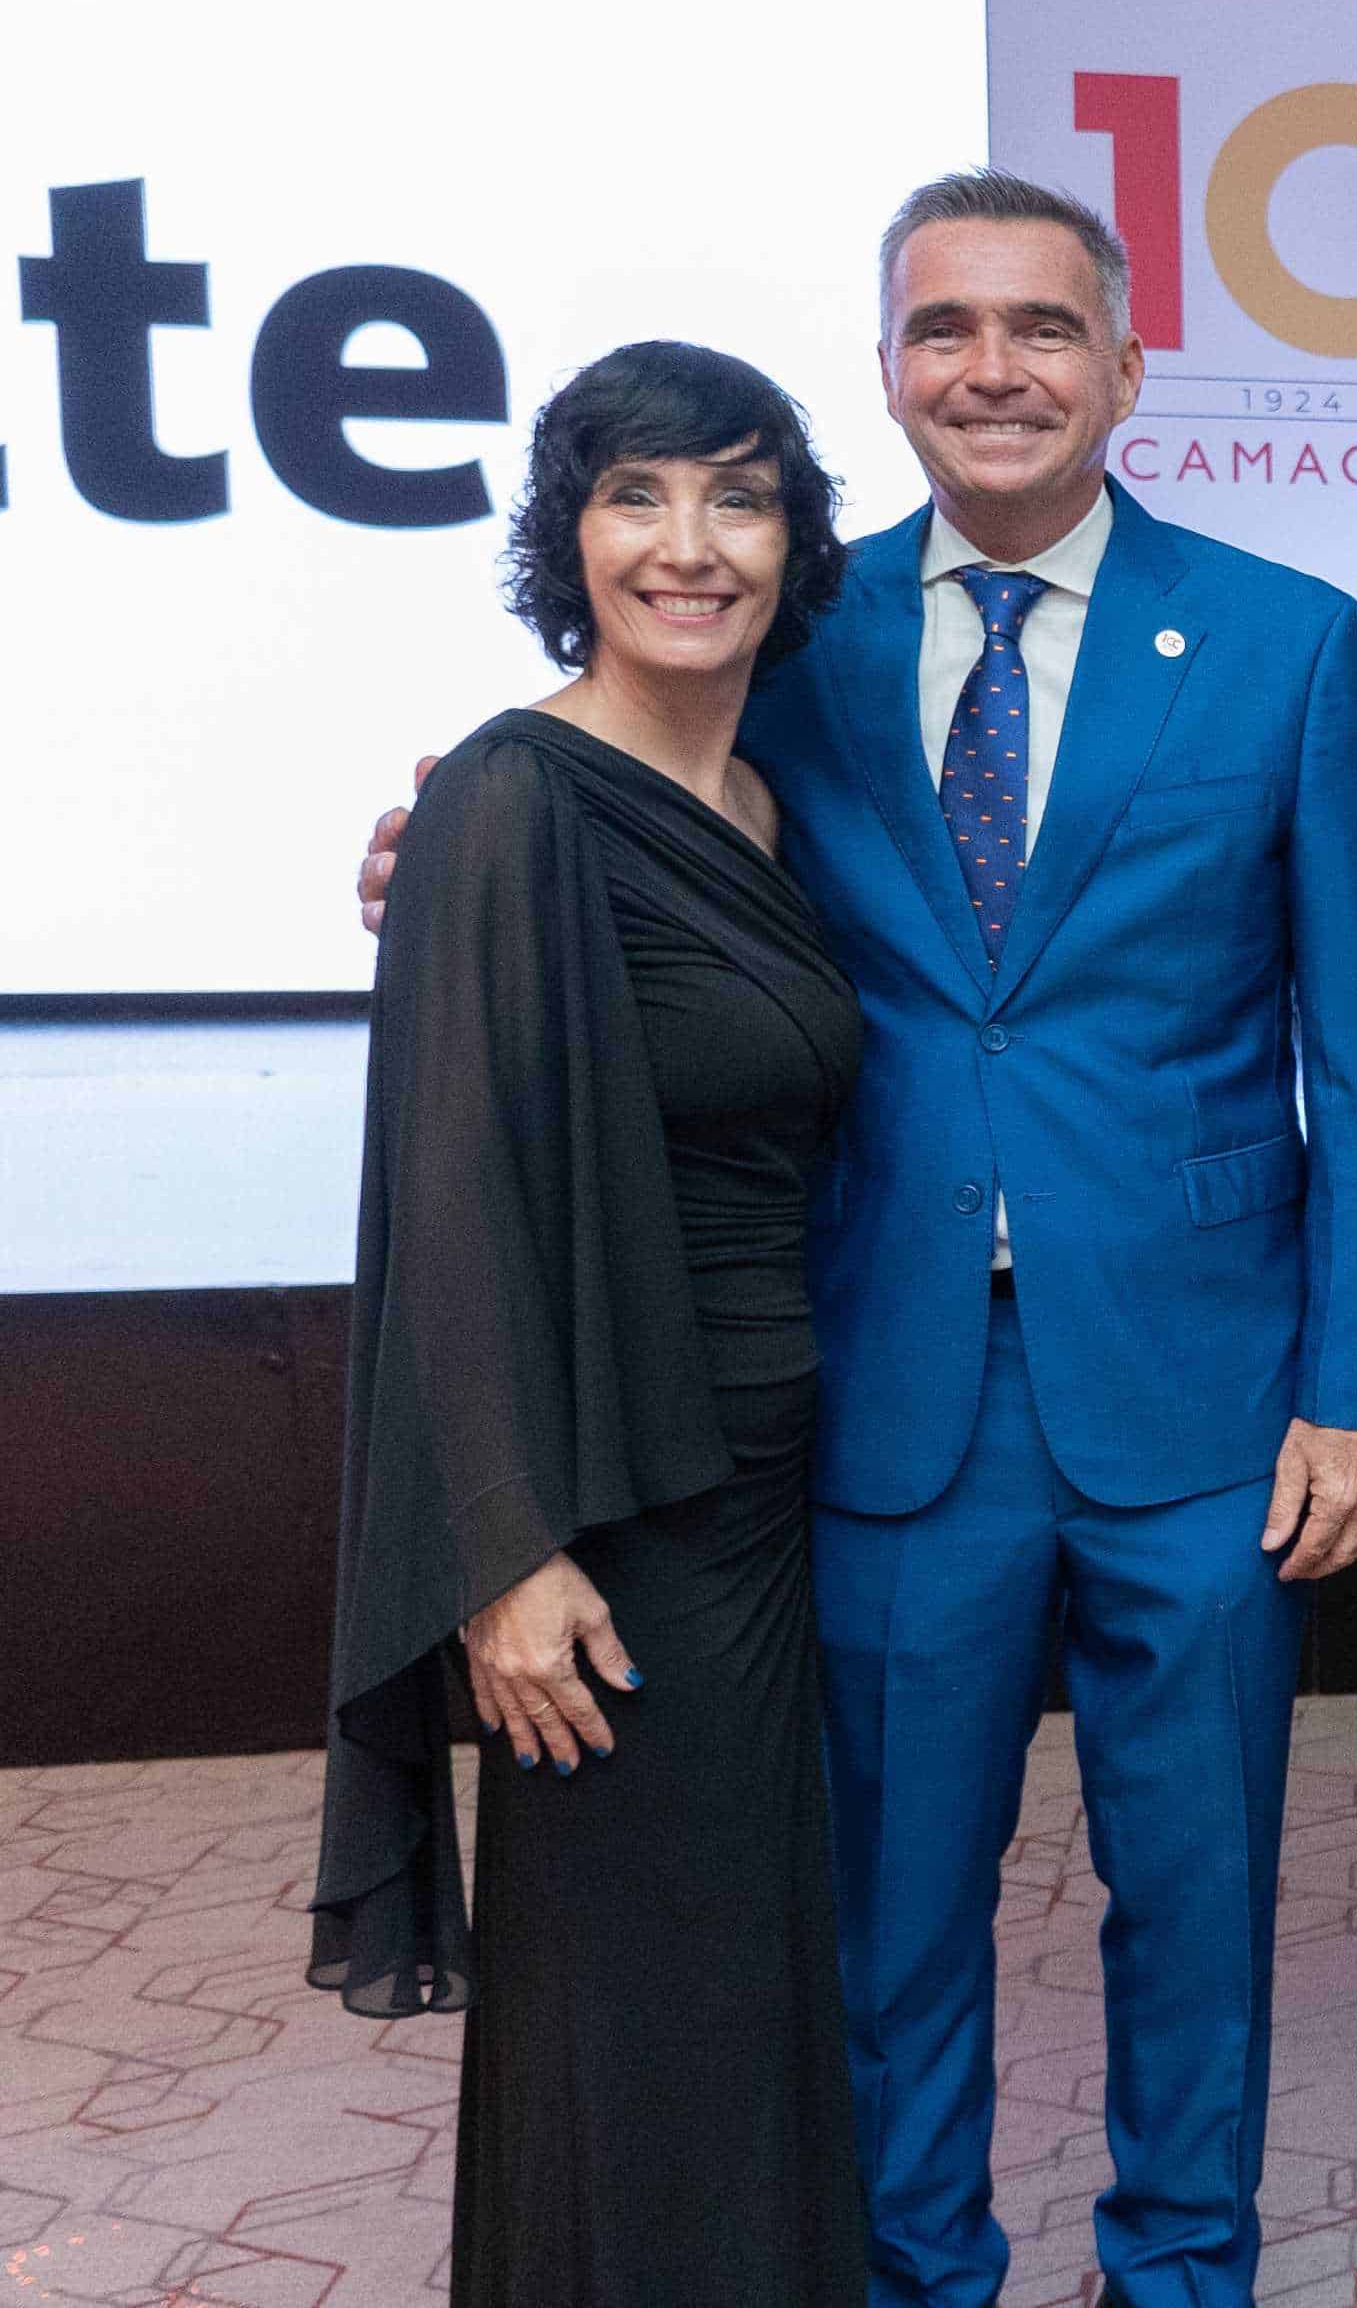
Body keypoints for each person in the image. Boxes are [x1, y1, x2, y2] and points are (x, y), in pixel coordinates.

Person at [355, 170, 1357, 2308]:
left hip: (1212, 1390)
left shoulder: (1295, 640)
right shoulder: (794, 633)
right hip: (882, 1381)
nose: (996, 368)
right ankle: (914, 2273)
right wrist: (437, 841)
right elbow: (604, 803)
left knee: (1199, 1899)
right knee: (891, 1912)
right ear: (888, 376)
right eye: (947, 331)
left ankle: (1183, 2273)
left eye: (1045, 327)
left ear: (1129, 367)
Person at [316, 341, 869, 2304]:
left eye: (739, 495)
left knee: (735, 1994)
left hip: (766, 1489)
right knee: (634, 2011)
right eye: (637, 497)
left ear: (796, 541)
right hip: (611, 1527)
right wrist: (507, 1557)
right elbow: (449, 1201)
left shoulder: (767, 803)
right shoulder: (506, 798)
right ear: (569, 538)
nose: (689, 545)